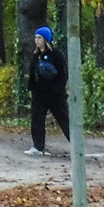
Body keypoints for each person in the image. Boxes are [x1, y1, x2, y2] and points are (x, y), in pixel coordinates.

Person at [26, 26, 71, 156]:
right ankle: (38, 146)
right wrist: (32, 88)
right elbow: (33, 74)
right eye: (35, 37)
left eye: (39, 37)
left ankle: (75, 143)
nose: (36, 40)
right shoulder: (36, 55)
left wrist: (58, 89)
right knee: (37, 120)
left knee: (63, 119)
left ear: (46, 39)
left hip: (55, 95)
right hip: (39, 94)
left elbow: (63, 73)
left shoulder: (56, 54)